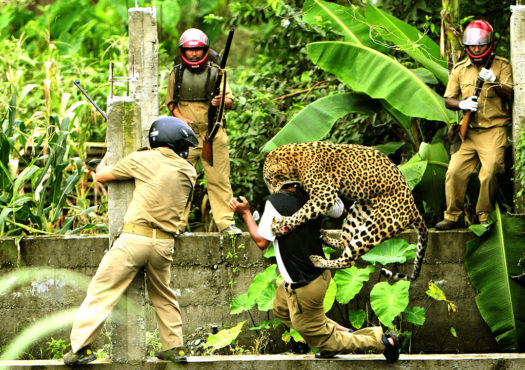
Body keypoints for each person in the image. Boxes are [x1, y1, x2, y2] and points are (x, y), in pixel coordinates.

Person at [63, 117, 198, 365]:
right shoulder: (189, 171)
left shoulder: (143, 159)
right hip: (164, 244)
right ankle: (175, 346)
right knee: (164, 296)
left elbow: (102, 175)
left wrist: (106, 157)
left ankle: (80, 348)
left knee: (102, 291)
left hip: (135, 238)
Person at [229, 184, 399, 361]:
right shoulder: (316, 195)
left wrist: (246, 213)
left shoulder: (276, 203)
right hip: (318, 274)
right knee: (281, 309)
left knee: (321, 336)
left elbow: (262, 241)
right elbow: (340, 211)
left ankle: (384, 343)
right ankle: (345, 332)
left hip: (304, 286)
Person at [436, 20, 513, 230]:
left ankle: (482, 216)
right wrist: (461, 103)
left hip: (494, 129)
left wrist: (495, 81)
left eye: (480, 45)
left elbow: (512, 93)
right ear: (467, 46)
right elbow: (448, 99)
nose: (476, 49)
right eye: (472, 45)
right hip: (469, 132)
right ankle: (452, 216)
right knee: (454, 171)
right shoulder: (460, 69)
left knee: (489, 172)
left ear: (488, 44)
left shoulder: (502, 65)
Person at [165, 28, 241, 235]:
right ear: (183, 51)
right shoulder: (177, 73)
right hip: (185, 135)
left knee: (219, 179)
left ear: (205, 49)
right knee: (181, 180)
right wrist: (181, 119)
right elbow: (171, 103)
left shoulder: (217, 72)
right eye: (190, 50)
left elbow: (231, 101)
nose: (194, 54)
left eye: (198, 49)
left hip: (213, 133)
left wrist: (221, 101)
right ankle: (176, 225)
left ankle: (226, 223)